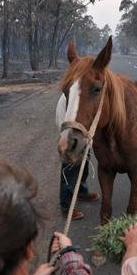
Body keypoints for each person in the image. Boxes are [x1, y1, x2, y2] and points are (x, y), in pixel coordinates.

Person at [56, 88, 99, 221]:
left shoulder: (85, 91)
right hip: (71, 137)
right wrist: (69, 140)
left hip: (82, 136)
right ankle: (66, 207)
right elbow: (63, 118)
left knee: (84, 165)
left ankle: (81, 192)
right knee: (70, 171)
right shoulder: (71, 95)